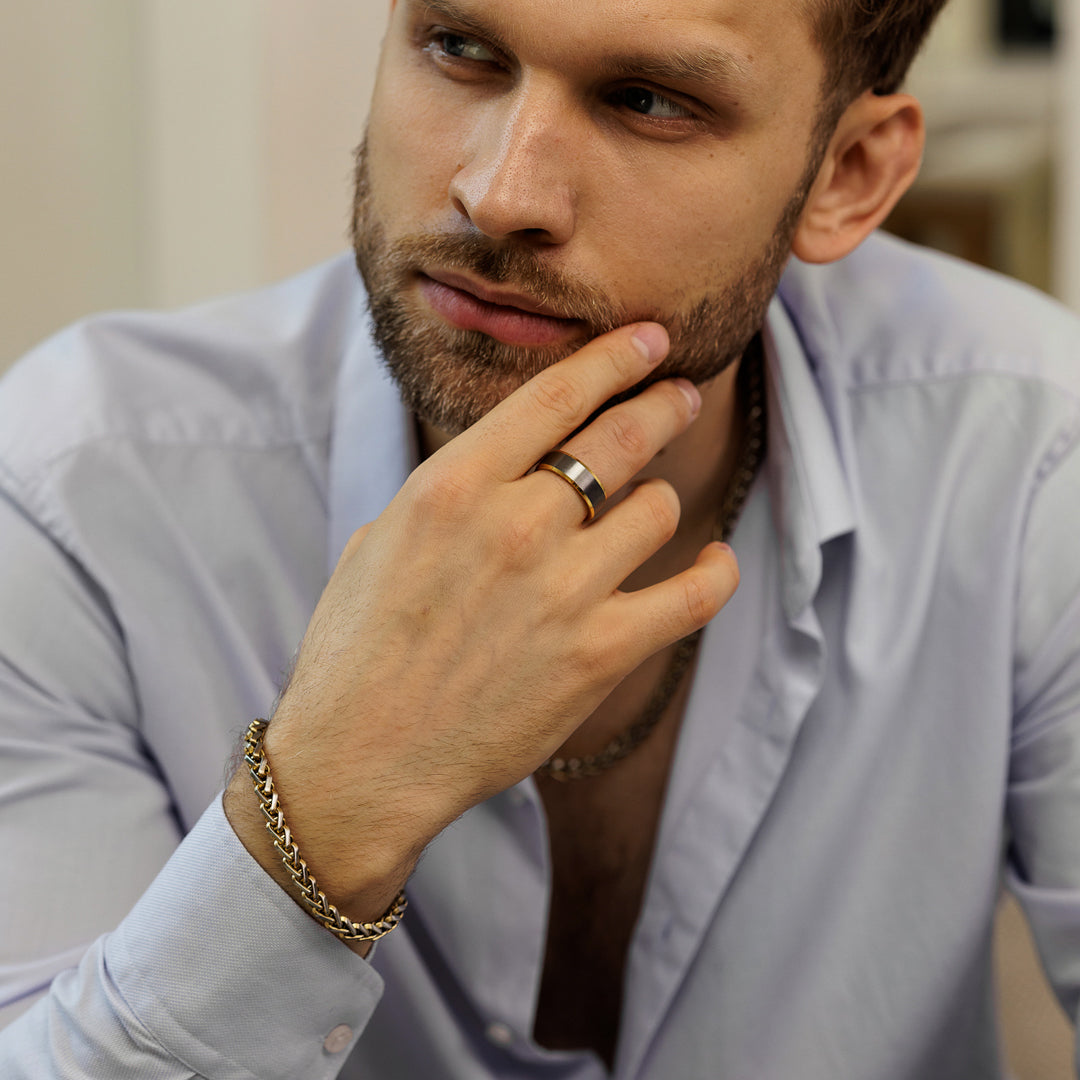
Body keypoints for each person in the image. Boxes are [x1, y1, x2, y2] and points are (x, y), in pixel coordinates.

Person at [1, 0, 1078, 1075]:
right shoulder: (80, 490)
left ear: (846, 173)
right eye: (460, 49)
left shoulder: (1027, 459)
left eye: (650, 102)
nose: (501, 192)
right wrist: (321, 817)